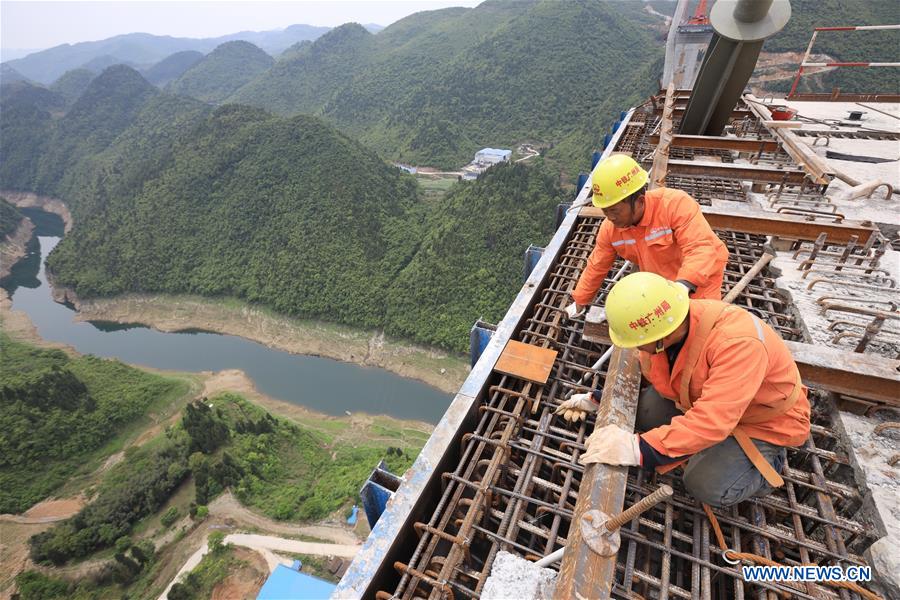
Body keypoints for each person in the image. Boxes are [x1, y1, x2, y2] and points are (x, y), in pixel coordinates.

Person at [557, 272, 811, 507]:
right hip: (710, 401)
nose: (635, 349)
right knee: (645, 414)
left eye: (638, 343)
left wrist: (636, 449)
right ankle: (710, 448)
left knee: (705, 485)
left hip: (764, 422)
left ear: (660, 337)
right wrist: (598, 399)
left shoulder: (738, 344)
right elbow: (654, 376)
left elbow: (713, 421)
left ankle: (769, 464)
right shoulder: (670, 329)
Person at [565, 154, 729, 319]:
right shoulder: (610, 229)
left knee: (699, 325)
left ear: (639, 201)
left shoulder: (674, 205)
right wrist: (580, 302)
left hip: (701, 278)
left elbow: (700, 248)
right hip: (661, 280)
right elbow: (597, 266)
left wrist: (683, 285)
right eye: (605, 211)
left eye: (614, 210)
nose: (610, 217)